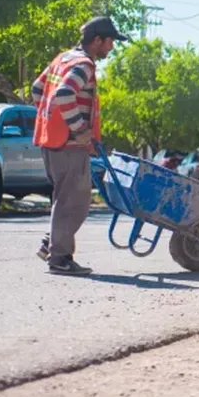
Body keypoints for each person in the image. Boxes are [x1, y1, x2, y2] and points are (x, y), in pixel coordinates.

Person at [33, 16, 127, 275]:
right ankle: (60, 258)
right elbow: (63, 94)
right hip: (69, 145)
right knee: (75, 202)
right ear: (97, 40)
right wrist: (78, 129)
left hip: (51, 141)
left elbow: (37, 89)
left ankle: (49, 245)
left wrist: (51, 120)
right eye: (110, 42)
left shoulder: (62, 59)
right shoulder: (83, 65)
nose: (111, 47)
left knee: (65, 199)